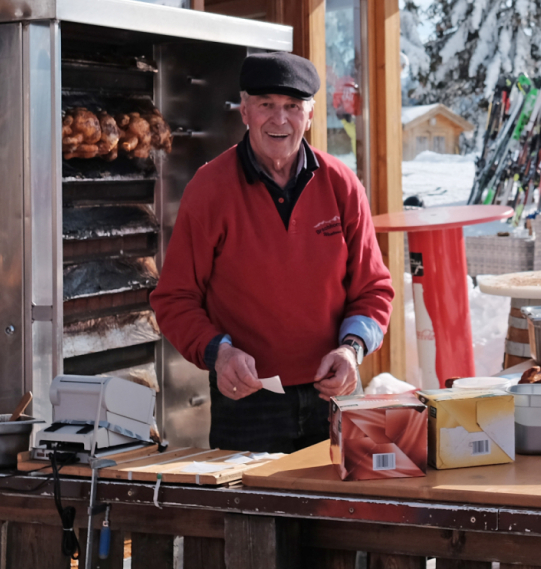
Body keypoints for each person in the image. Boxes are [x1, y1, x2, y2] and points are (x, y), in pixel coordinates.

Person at [150, 52, 394, 453]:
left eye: (293, 107)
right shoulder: (209, 189)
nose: (280, 120)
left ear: (310, 115)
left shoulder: (342, 185)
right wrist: (219, 353)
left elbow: (375, 289)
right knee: (250, 515)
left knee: (341, 514)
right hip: (248, 403)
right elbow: (174, 299)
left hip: (335, 392)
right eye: (266, 105)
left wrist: (352, 349)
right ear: (245, 110)